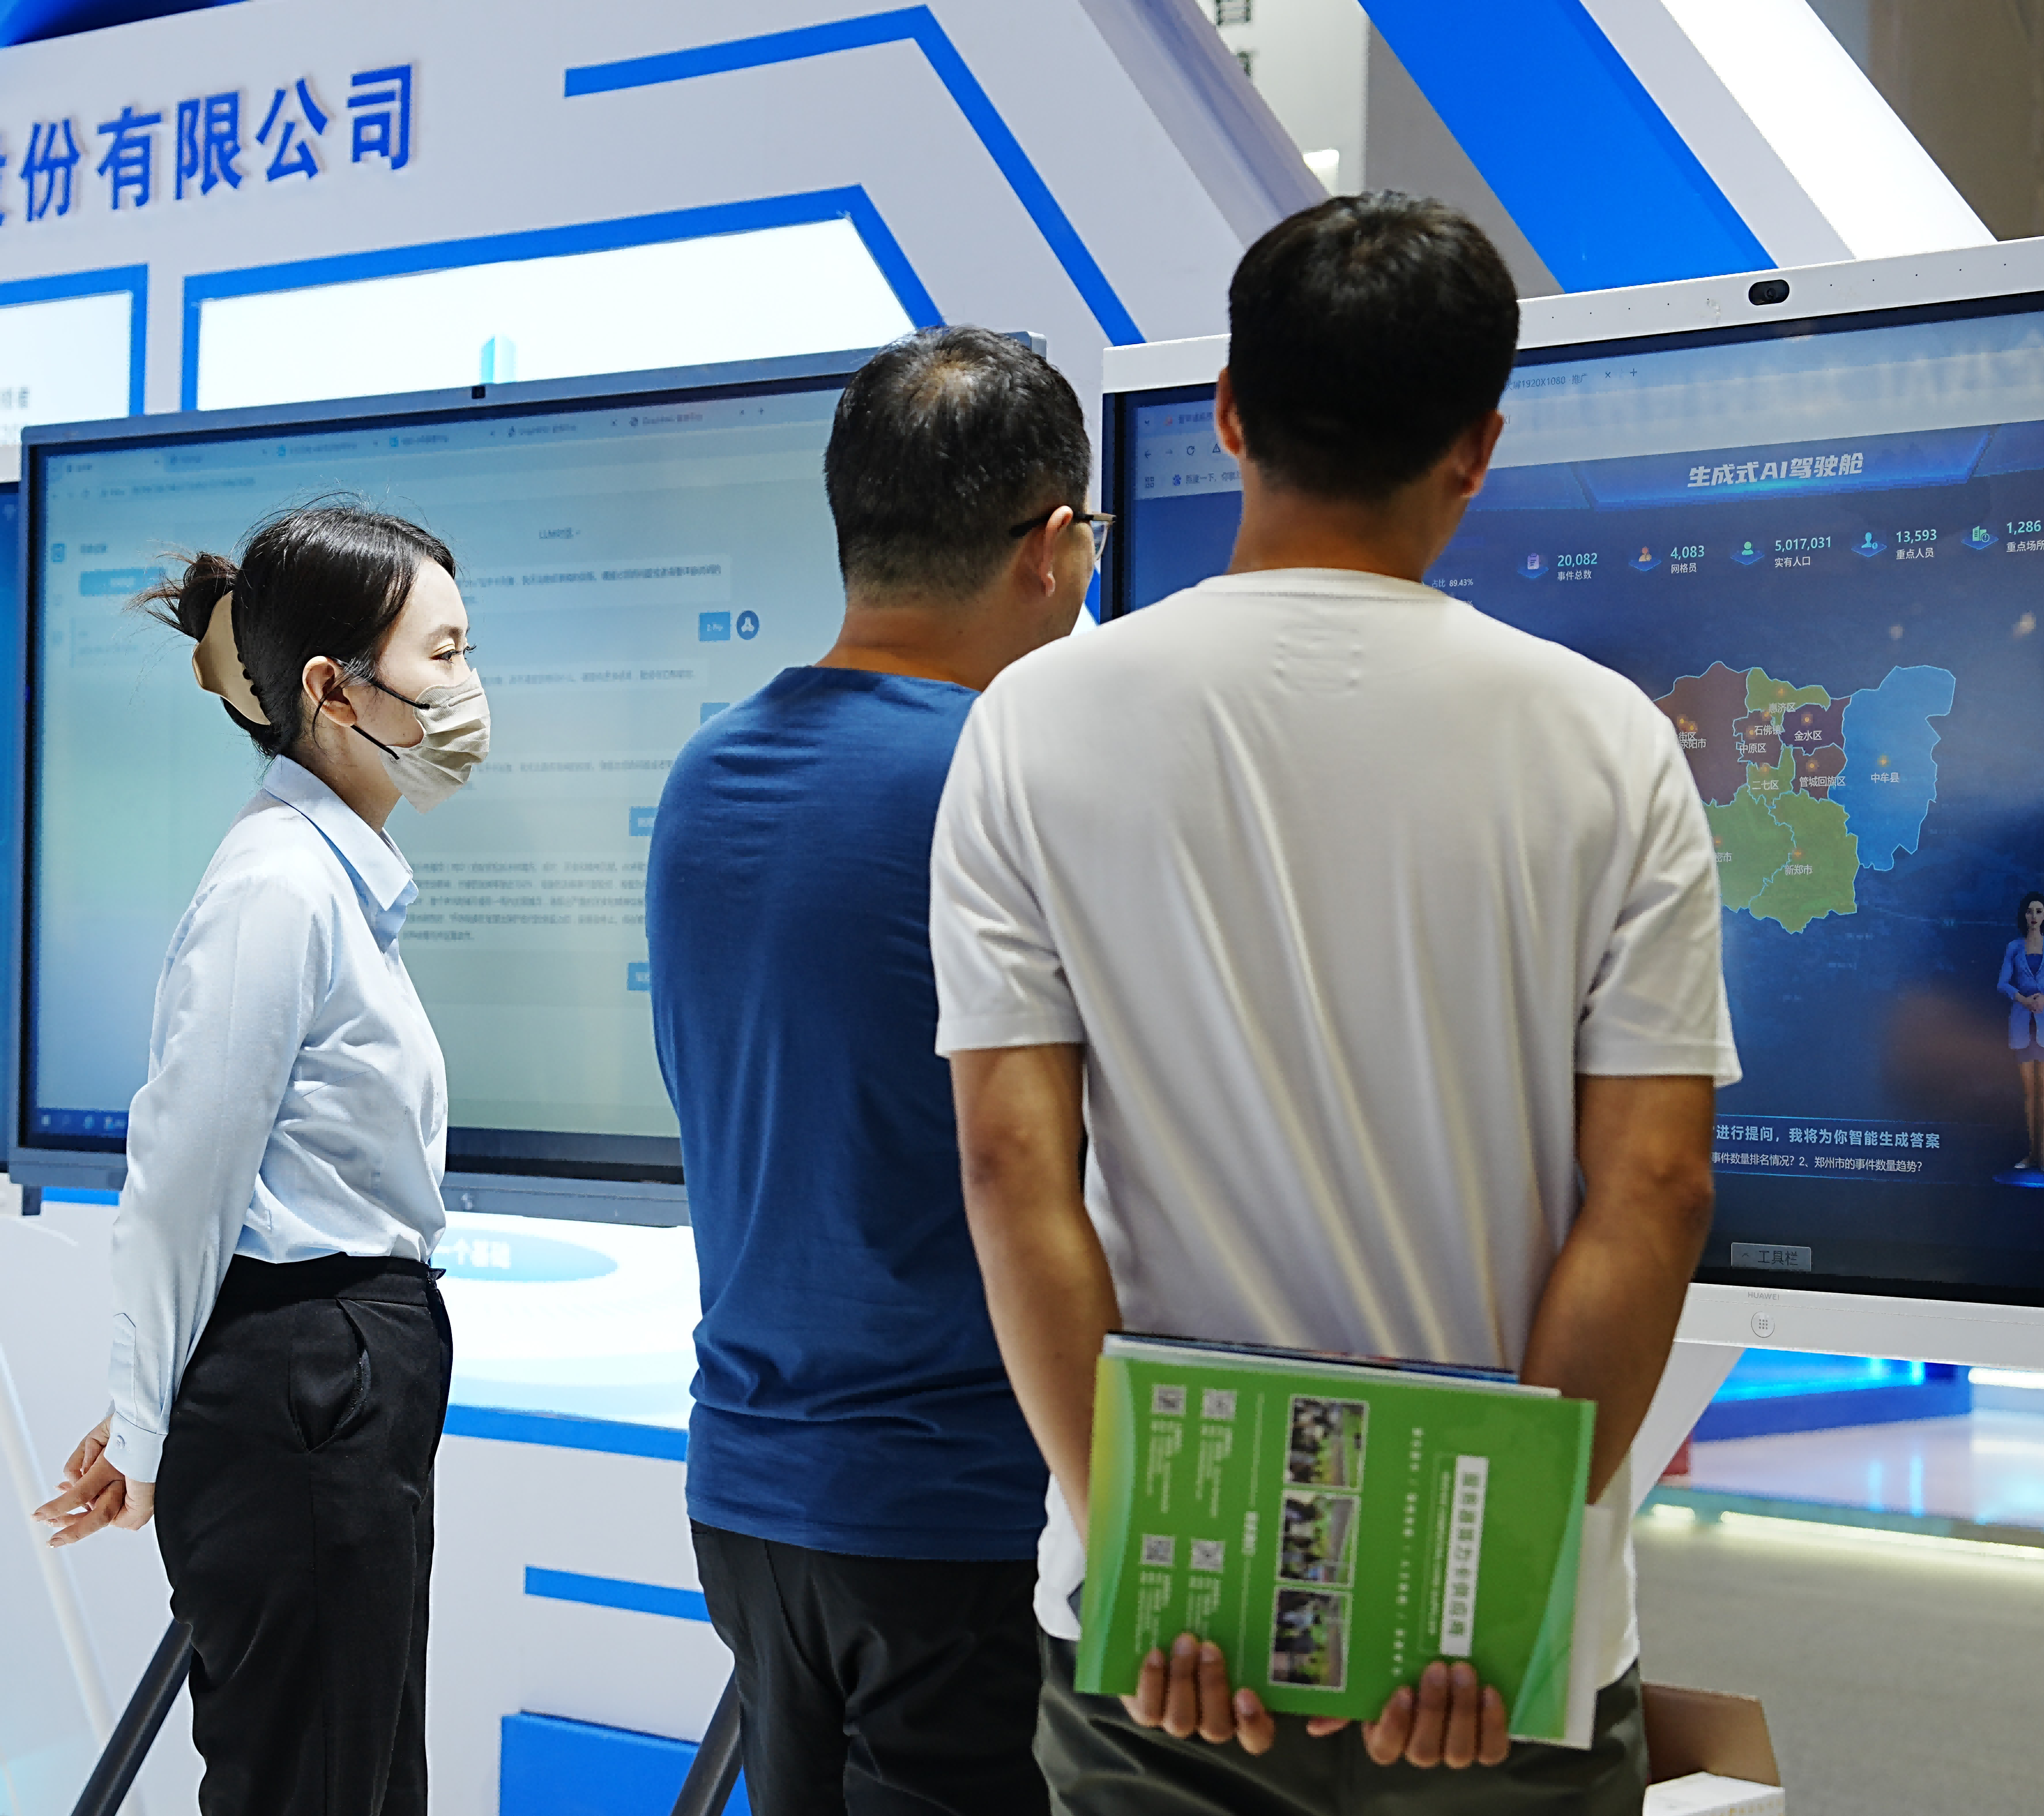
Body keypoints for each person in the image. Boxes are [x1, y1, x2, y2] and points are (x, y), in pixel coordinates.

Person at [931, 193, 1738, 1814]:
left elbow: (1014, 1168)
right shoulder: (1607, 742)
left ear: (1229, 412)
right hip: (1494, 1675)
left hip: (1167, 1652)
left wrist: (1147, 1557)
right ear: (1476, 447)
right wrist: (1495, 1598)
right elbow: (1651, 1184)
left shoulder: (1033, 722)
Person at [643, 326, 1099, 1815]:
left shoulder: (706, 774)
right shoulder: (1009, 780)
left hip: (750, 1500)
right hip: (954, 1512)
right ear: (1048, 547)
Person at [31, 502, 492, 1816]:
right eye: (444, 654)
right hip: (308, 1379)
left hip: (325, 1375)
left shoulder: (334, 877)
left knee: (354, 1779)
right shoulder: (278, 886)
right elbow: (184, 1178)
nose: (468, 688)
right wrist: (146, 1422)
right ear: (332, 690)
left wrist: (163, 1404)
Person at [2001, 892, 2044, 1174]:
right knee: (2029, 1093)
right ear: (2024, 915)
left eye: (2039, 911)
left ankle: (2043, 1156)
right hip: (2021, 1023)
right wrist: (2023, 999)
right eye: (2030, 911)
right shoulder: (2014, 947)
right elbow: (2003, 983)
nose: (2034, 916)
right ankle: (2032, 1154)